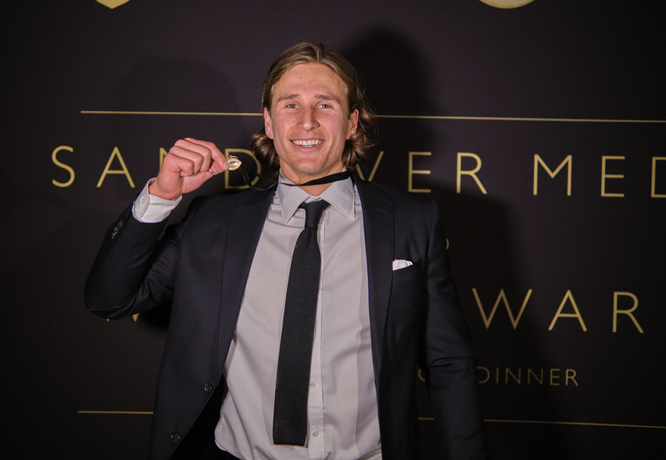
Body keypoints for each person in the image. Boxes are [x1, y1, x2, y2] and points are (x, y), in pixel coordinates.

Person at [85, 41, 488, 460]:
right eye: (290, 104)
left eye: (325, 105)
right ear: (269, 122)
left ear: (352, 122)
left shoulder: (411, 221)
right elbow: (109, 299)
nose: (307, 121)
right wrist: (161, 196)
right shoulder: (214, 222)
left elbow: (448, 363)